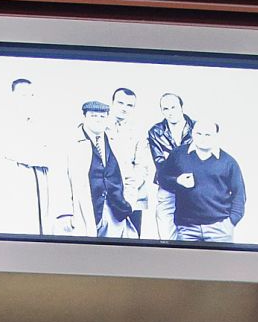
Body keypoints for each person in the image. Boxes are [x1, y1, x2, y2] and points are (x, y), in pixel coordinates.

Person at [53, 99, 138, 239]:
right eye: (93, 116)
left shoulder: (116, 142)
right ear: (84, 117)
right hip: (84, 211)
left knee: (112, 255)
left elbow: (129, 176)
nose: (98, 120)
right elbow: (60, 179)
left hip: (115, 212)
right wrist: (65, 212)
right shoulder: (70, 143)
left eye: (102, 116)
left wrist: (129, 203)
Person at [0, 75, 54, 234]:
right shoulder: (4, 122)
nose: (28, 99)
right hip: (17, 180)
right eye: (23, 95)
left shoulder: (38, 123)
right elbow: (19, 152)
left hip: (40, 180)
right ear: (13, 97)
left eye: (31, 95)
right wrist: (41, 156)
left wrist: (42, 157)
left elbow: (52, 153)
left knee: (42, 223)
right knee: (22, 224)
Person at [155, 120, 245, 243]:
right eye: (199, 134)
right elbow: (162, 178)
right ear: (192, 133)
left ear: (216, 136)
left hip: (219, 230)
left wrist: (230, 222)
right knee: (184, 262)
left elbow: (239, 195)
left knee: (220, 263)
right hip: (187, 229)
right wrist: (177, 181)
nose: (203, 138)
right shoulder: (178, 155)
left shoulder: (228, 162)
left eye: (208, 135)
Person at [144, 92, 195, 241]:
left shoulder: (197, 128)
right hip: (167, 185)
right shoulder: (155, 131)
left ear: (181, 107)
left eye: (173, 107)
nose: (170, 112)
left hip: (193, 186)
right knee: (166, 236)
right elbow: (160, 163)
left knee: (191, 234)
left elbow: (202, 160)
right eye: (165, 109)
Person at [106, 86, 149, 235]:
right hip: (106, 194)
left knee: (132, 239)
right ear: (112, 103)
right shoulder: (100, 127)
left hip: (133, 194)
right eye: (120, 103)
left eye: (129, 105)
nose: (124, 108)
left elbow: (142, 165)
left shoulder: (138, 131)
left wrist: (129, 190)